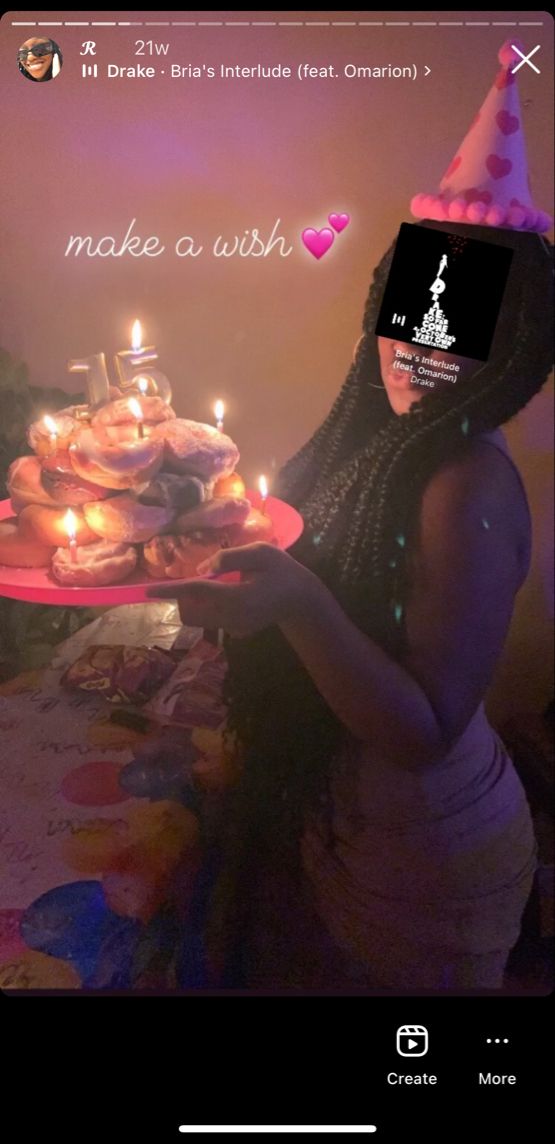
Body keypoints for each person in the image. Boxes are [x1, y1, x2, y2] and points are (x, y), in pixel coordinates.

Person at [148, 219, 553, 990]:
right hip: (356, 828)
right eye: (410, 315)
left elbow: (422, 731)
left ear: (512, 351)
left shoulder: (463, 482)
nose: (418, 349)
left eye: (458, 329)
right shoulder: (389, 441)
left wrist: (296, 603)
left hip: (428, 855)